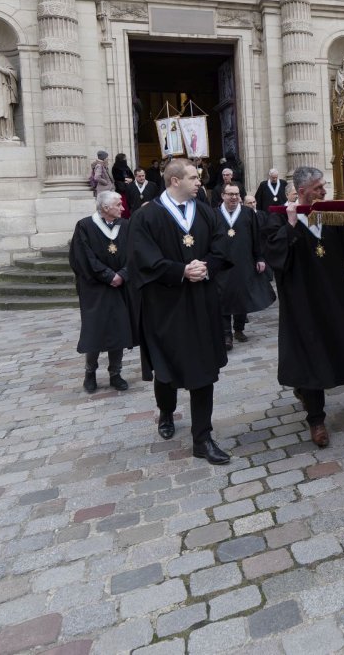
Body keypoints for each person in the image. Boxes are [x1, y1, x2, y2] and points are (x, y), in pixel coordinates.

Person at [131, 158, 232, 465]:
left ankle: (202, 438)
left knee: (203, 371)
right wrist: (180, 271)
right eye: (192, 177)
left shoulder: (204, 212)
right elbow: (142, 258)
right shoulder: (147, 216)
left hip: (201, 303)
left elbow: (222, 247)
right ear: (174, 181)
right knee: (167, 368)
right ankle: (166, 411)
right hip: (167, 307)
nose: (199, 181)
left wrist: (207, 266)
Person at [265, 166, 344, 448]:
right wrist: (291, 225)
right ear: (302, 192)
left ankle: (305, 389)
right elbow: (276, 256)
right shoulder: (279, 217)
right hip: (302, 302)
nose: (324, 191)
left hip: (333, 297)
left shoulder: (330, 215)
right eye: (319, 187)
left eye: (324, 186)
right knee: (309, 355)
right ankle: (316, 419)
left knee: (330, 351)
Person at [68, 191, 138, 393]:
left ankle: (115, 373)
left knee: (119, 329)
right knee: (95, 331)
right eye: (118, 205)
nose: (123, 208)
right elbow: (83, 258)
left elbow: (134, 253)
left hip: (121, 286)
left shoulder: (125, 226)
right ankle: (90, 372)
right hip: (95, 288)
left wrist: (123, 274)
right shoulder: (85, 226)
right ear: (106, 208)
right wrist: (108, 276)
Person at [214, 182, 275, 348]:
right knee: (223, 298)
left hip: (244, 262)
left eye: (236, 194)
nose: (233, 197)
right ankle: (226, 335)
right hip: (222, 264)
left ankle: (239, 329)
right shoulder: (214, 215)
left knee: (242, 296)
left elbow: (257, 238)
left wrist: (260, 258)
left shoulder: (248, 213)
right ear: (223, 196)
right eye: (230, 194)